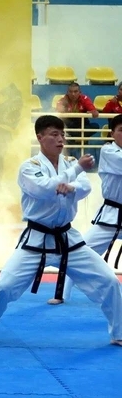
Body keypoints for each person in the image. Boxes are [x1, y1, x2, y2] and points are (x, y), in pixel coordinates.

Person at [0, 115, 122, 345]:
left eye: (62, 135)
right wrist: (74, 172)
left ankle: (118, 334)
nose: (60, 139)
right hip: (37, 239)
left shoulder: (69, 161)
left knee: (109, 281)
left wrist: (71, 186)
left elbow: (85, 187)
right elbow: (44, 189)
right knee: (3, 287)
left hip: (68, 238)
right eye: (54, 134)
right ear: (40, 138)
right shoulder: (29, 167)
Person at [53, 114, 122, 304]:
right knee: (80, 253)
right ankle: (61, 293)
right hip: (112, 215)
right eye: (121, 130)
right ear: (112, 133)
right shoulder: (109, 151)